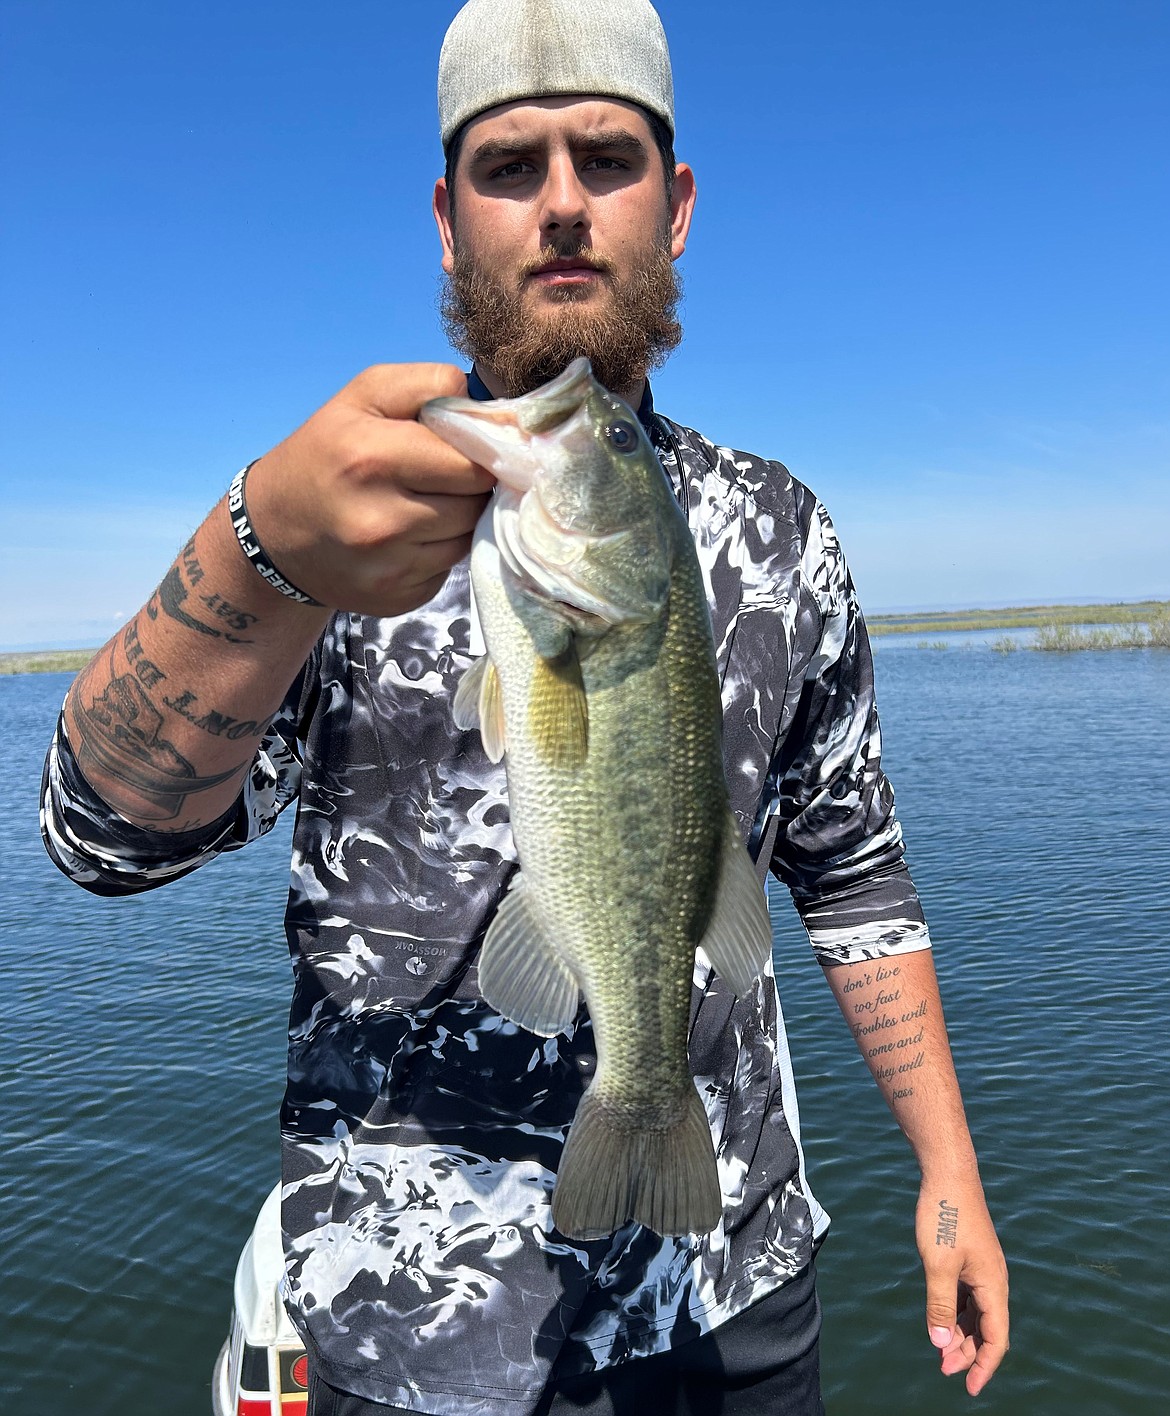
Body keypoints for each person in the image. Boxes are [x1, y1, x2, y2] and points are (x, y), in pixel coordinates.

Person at [41, 2, 1010, 1413]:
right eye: (509, 166)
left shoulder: (781, 529)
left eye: (606, 158)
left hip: (729, 1291)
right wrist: (258, 554)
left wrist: (949, 1176)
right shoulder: (332, 519)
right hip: (408, 1319)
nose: (562, 202)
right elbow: (103, 843)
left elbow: (851, 875)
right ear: (448, 222)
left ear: (676, 207)